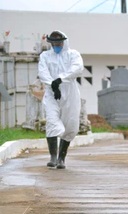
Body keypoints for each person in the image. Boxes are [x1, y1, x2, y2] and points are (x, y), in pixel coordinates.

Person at [38, 30, 84, 169]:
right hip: (52, 93)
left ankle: (61, 158)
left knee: (70, 124)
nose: (56, 45)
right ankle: (53, 157)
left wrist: (60, 80)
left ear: (64, 42)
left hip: (70, 93)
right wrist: (53, 84)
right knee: (52, 121)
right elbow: (42, 72)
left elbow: (77, 68)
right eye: (54, 43)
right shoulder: (45, 56)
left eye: (59, 43)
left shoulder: (73, 54)